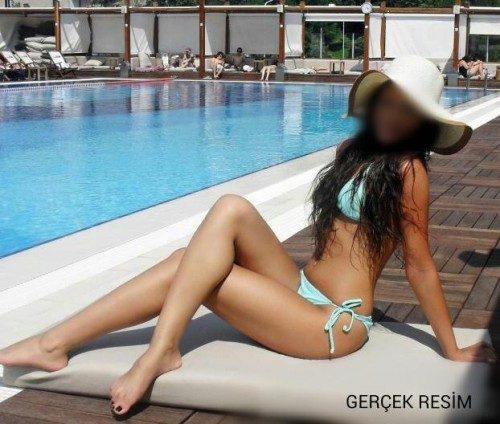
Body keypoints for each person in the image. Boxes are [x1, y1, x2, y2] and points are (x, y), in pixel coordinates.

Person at [0, 56, 496, 417]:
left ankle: (150, 351)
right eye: (388, 102)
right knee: (228, 210)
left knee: (194, 270)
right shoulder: (353, 150)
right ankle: (55, 341)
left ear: (423, 120)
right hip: (301, 288)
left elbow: (419, 264)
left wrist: (451, 348)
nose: (393, 115)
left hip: (335, 322)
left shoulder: (410, 171)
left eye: (407, 110)